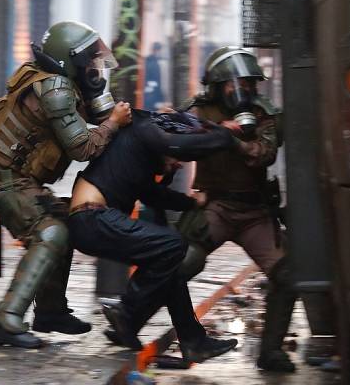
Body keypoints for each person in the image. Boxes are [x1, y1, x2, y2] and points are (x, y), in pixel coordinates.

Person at [0, 21, 132, 348]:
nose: (93, 66)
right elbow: (83, 147)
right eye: (88, 59)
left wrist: (105, 104)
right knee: (51, 233)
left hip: (16, 179)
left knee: (66, 221)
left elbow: (95, 117)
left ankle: (50, 311)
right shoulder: (56, 88)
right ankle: (5, 320)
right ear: (70, 60)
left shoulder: (57, 82)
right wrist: (113, 124)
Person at [67, 109, 238, 364]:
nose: (178, 163)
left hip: (94, 222)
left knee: (171, 267)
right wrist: (224, 135)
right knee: (174, 245)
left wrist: (191, 202)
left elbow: (153, 195)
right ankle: (127, 313)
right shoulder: (144, 128)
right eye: (176, 158)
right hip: (91, 217)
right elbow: (179, 145)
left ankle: (193, 342)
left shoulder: (139, 157)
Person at [176, 46, 297, 372]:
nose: (241, 89)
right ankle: (130, 318)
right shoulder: (198, 110)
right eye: (233, 84)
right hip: (215, 206)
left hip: (254, 212)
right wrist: (207, 133)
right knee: (178, 262)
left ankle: (271, 351)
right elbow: (172, 140)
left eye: (247, 83)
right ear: (217, 86)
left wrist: (235, 141)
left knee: (288, 274)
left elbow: (265, 153)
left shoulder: (262, 112)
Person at [143, 42, 165, 110]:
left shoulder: (150, 61)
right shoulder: (151, 62)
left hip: (150, 94)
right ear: (157, 50)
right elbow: (155, 81)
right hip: (151, 95)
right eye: (160, 51)